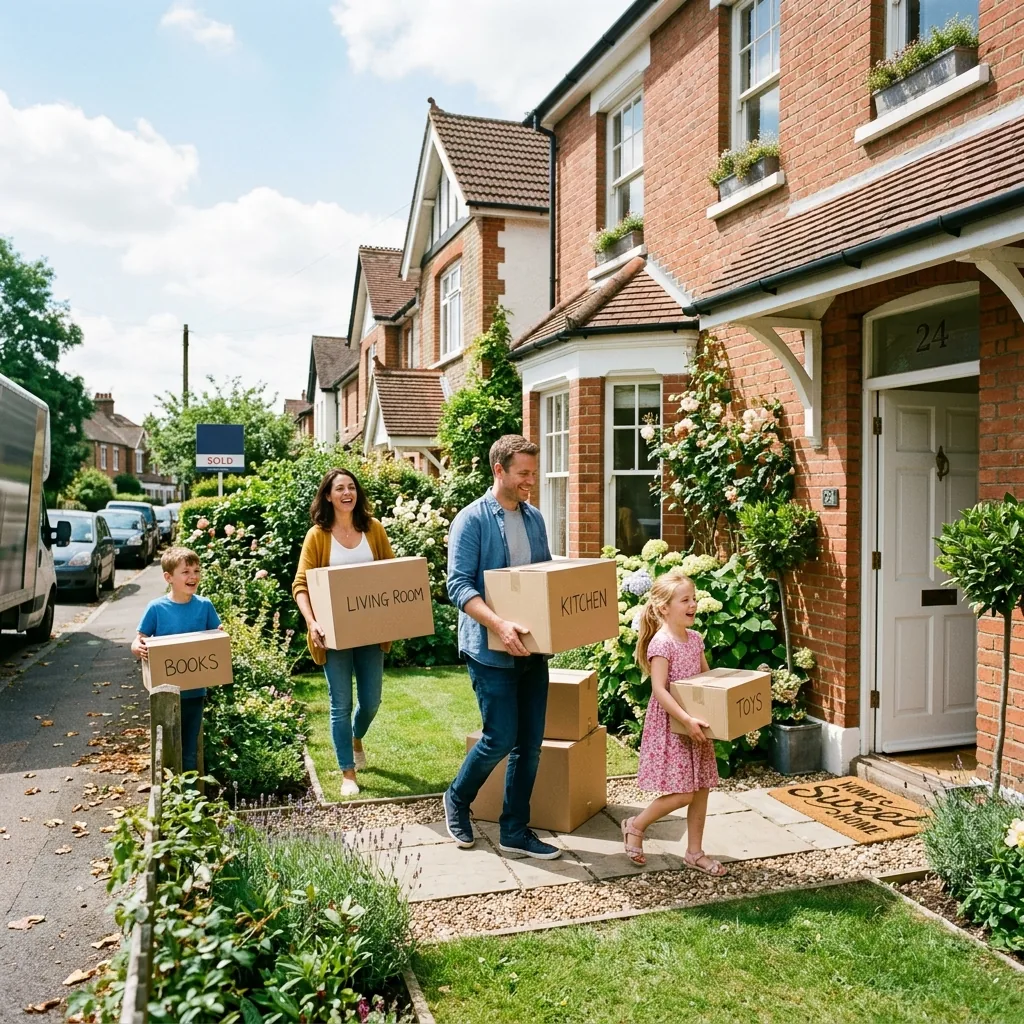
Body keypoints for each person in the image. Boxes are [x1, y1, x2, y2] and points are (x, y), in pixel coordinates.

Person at [443, 435, 561, 861]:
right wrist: (499, 624)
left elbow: (543, 577)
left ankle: (514, 829)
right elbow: (457, 586)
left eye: (533, 471)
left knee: (530, 743)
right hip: (490, 649)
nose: (532, 480)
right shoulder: (471, 520)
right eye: (524, 473)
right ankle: (457, 798)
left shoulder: (534, 520)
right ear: (499, 470)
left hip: (532, 648)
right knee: (499, 738)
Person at [292, 468, 395, 797]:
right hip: (332, 634)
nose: (347, 492)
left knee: (371, 701)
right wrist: (312, 622)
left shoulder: (373, 529)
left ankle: (355, 737)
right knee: (340, 702)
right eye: (340, 488)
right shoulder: (317, 535)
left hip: (370, 631)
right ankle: (347, 771)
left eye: (352, 487)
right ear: (328, 495)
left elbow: (393, 574)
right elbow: (301, 585)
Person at [622, 568, 727, 875]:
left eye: (693, 598)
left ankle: (695, 853)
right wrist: (685, 718)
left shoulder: (695, 640)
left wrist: (723, 708)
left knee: (702, 787)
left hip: (697, 723)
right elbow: (659, 689)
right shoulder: (662, 643)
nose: (693, 604)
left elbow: (707, 679)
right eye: (685, 600)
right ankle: (636, 825)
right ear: (664, 607)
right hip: (674, 725)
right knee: (683, 792)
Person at [131, 546, 222, 773]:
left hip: (194, 692)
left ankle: (189, 799)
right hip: (165, 694)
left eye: (196, 571)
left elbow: (216, 639)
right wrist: (137, 647)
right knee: (168, 746)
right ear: (168, 577)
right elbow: (138, 639)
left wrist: (220, 634)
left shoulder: (205, 606)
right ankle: (170, 794)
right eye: (186, 571)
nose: (193, 576)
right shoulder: (157, 608)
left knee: (190, 748)